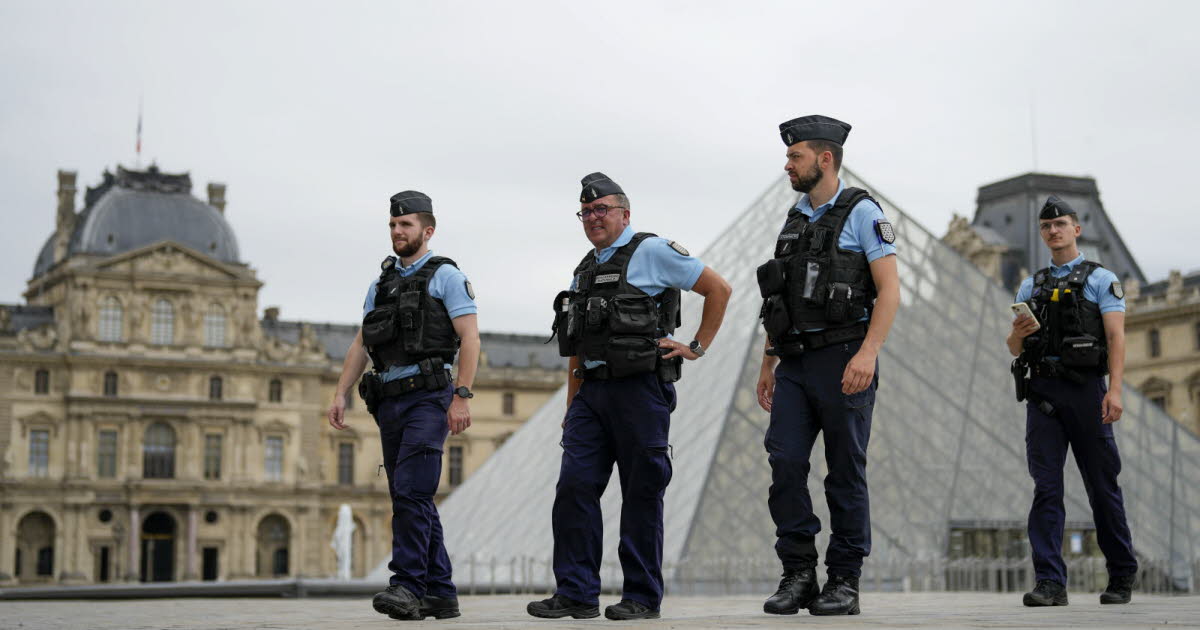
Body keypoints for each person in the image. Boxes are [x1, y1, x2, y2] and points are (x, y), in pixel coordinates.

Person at [527, 172, 732, 621]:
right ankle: (576, 592)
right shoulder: (584, 268)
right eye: (585, 212)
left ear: (625, 213)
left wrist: (696, 346)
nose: (593, 218)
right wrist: (571, 404)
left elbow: (718, 288)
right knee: (574, 487)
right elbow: (577, 344)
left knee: (641, 493)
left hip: (640, 391)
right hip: (591, 394)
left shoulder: (653, 251)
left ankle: (641, 596)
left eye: (601, 209)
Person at [754, 115, 900, 616]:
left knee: (844, 472)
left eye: (794, 156)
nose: (787, 165)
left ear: (825, 158)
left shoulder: (863, 214)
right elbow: (780, 298)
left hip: (844, 358)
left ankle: (844, 580)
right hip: (794, 361)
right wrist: (768, 361)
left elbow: (890, 291)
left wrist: (868, 353)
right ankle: (798, 573)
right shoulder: (794, 218)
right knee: (785, 462)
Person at [327, 190, 479, 621]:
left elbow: (470, 338)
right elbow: (361, 344)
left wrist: (461, 395)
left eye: (406, 224)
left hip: (429, 398)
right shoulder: (380, 284)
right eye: (393, 224)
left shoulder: (446, 276)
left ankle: (408, 585)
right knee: (409, 497)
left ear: (427, 231)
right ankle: (441, 592)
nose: (397, 231)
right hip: (389, 401)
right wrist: (340, 392)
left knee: (413, 491)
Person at [1007, 195, 1137, 607]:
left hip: (1087, 392)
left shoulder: (1102, 279)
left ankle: (1121, 574)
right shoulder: (1030, 285)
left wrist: (1115, 390)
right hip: (1043, 395)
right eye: (1046, 226)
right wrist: (1017, 334)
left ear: (1076, 229)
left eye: (1060, 224)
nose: (1053, 231)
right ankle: (1050, 582)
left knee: (1102, 487)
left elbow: (1116, 337)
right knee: (1046, 490)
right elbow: (1013, 347)